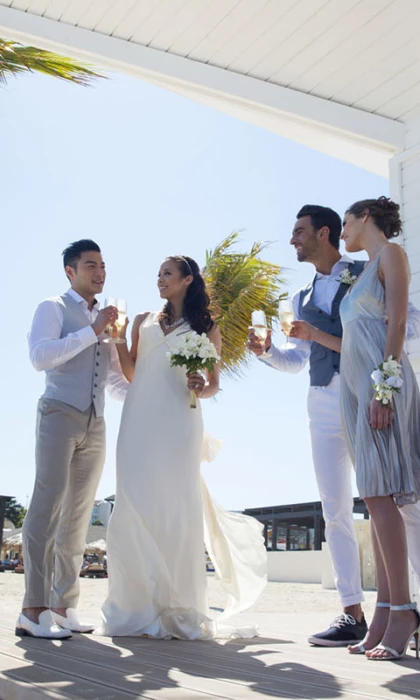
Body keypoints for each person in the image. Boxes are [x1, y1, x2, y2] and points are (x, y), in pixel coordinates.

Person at [248, 205, 420, 652]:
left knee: (399, 500)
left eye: (299, 231)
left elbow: (407, 321)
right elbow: (296, 359)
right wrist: (266, 352)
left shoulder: (369, 267)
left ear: (324, 233)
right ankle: (353, 611)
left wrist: (380, 366)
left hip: (368, 387)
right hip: (324, 398)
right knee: (335, 508)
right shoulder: (298, 297)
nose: (292, 240)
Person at [101, 256, 266, 640]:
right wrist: (120, 340)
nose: (159, 279)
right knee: (133, 498)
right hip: (139, 417)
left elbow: (213, 385)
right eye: (157, 273)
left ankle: (177, 603)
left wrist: (198, 385)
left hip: (179, 420)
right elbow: (131, 373)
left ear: (187, 280)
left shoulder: (207, 327)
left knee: (175, 504)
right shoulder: (143, 319)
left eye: (167, 274)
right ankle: (132, 605)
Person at [332, 197, 420, 660]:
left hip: (381, 385)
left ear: (366, 218)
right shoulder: (360, 273)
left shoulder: (392, 255)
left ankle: (405, 610)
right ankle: (386, 612)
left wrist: (384, 390)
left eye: (346, 222)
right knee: (373, 495)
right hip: (355, 389)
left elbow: (399, 321)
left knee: (382, 494)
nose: (342, 230)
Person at [17, 239, 128, 639]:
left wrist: (149, 402)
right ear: (70, 271)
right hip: (59, 413)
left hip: (95, 421)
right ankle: (32, 609)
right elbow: (40, 356)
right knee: (46, 507)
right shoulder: (52, 307)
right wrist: (91, 331)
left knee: (79, 516)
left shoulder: (106, 317)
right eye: (90, 265)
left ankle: (63, 607)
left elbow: (113, 378)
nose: (99, 272)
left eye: (103, 265)